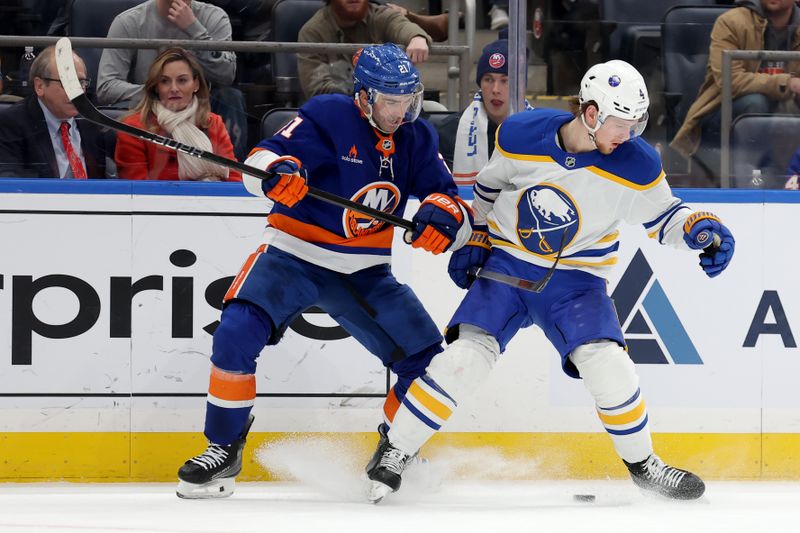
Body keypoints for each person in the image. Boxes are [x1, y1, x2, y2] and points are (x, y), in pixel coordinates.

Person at [366, 59, 736, 503]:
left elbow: (666, 214)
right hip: (507, 268)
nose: (629, 136)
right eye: (622, 124)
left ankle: (644, 465)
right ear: (592, 113)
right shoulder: (523, 135)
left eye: (637, 125)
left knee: (610, 367)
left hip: (576, 281)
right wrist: (472, 233)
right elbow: (485, 193)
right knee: (462, 361)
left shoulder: (636, 164)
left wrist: (700, 226)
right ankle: (395, 452)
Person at [175, 43, 472, 498]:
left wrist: (442, 219)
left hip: (365, 272)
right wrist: (280, 173)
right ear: (365, 96)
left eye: (407, 100)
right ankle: (223, 448)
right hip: (293, 256)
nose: (401, 112)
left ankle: (397, 448)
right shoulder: (329, 116)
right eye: (390, 101)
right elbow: (260, 160)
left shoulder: (418, 137)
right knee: (236, 331)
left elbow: (446, 197)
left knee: (426, 360)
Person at [96, 0, 248, 160]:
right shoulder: (128, 21)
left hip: (200, 102)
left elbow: (227, 75)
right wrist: (158, 92)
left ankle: (234, 175)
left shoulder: (214, 17)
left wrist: (195, 31)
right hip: (150, 106)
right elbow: (106, 86)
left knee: (231, 98)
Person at [671, 0, 800, 179]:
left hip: (783, 113)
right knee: (756, 103)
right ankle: (744, 179)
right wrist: (788, 82)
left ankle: (788, 179)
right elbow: (730, 80)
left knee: (789, 109)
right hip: (723, 112)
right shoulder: (731, 22)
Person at [115, 48, 241, 182]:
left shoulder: (212, 122)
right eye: (165, 81)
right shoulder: (134, 128)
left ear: (196, 84)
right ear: (156, 87)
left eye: (182, 80)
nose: (174, 88)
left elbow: (234, 178)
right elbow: (136, 191)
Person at [0, 45, 108, 179]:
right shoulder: (12, 123)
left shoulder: (93, 123)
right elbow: (10, 183)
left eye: (81, 82)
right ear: (39, 86)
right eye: (66, 82)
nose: (77, 92)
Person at [297, 0, 432, 99]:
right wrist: (365, 98)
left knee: (434, 110)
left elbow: (399, 25)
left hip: (386, 107)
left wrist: (417, 37)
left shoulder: (379, 15)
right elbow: (317, 87)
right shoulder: (312, 32)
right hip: (337, 110)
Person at [452, 39, 531, 187]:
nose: (495, 89)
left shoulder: (540, 131)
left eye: (505, 81)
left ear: (521, 87)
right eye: (488, 79)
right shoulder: (454, 130)